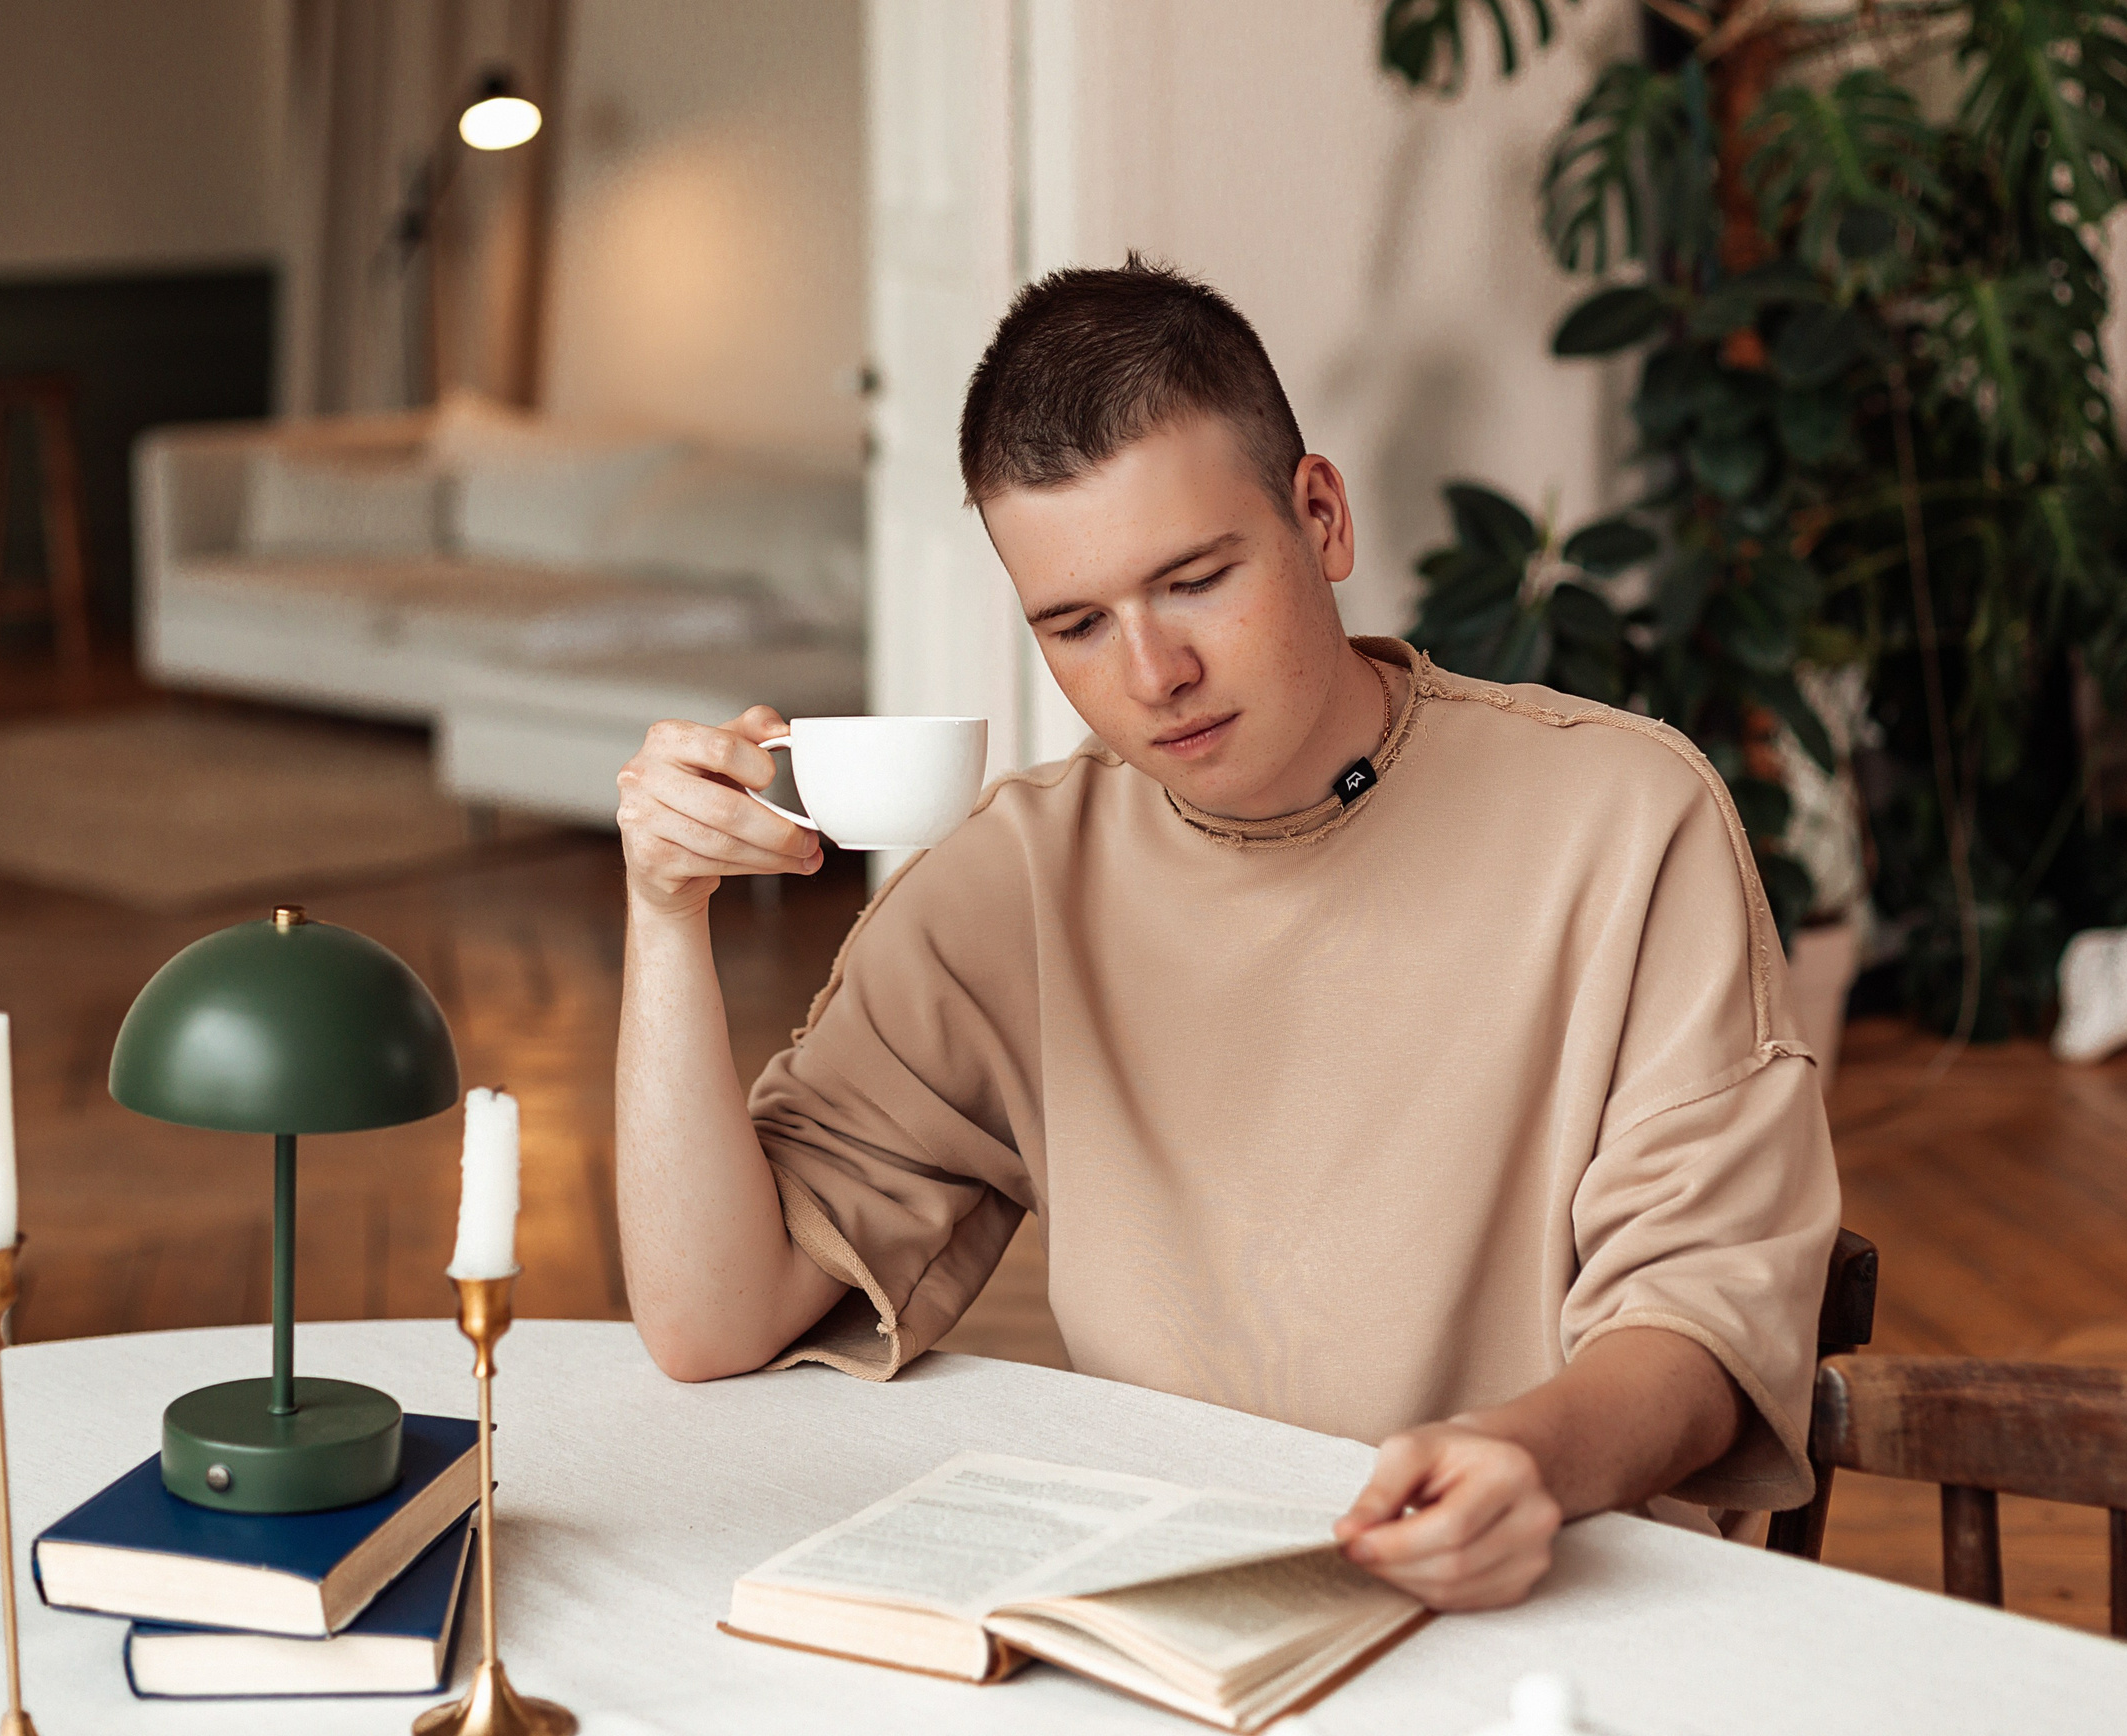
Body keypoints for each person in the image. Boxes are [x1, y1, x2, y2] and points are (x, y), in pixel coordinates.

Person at [613, 257, 1840, 1612]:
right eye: (1078, 624)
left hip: (1541, 1600)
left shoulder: (1621, 816)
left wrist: (1529, 1463)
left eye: (1195, 581)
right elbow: (712, 1318)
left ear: (1322, 516)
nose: (1154, 676)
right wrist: (665, 915)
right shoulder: (1015, 880)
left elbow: (1706, 1317)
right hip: (1174, 1604)